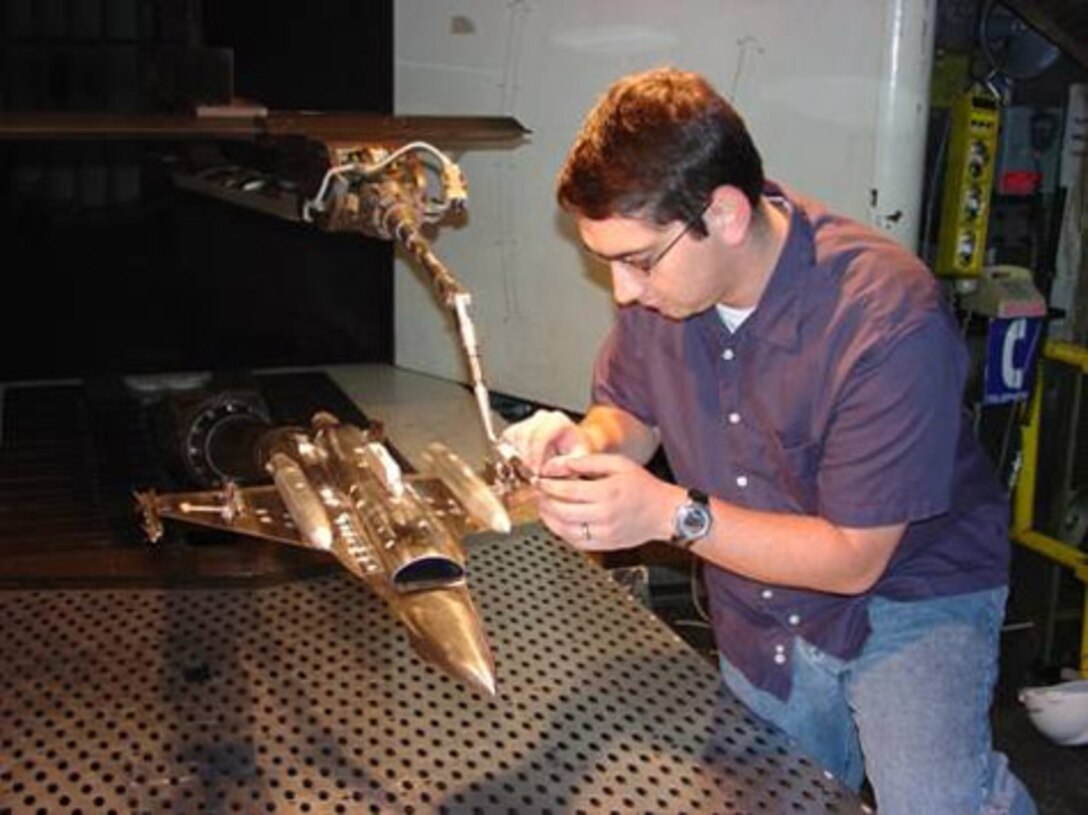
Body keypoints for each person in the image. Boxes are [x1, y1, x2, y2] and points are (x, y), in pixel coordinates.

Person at [500, 67, 1035, 815]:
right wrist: (584, 444)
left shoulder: (886, 318)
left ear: (723, 214)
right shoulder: (667, 286)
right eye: (606, 263)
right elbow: (630, 408)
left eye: (636, 260)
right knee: (778, 795)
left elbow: (853, 558)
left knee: (937, 802)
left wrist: (667, 514)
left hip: (910, 590)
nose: (622, 291)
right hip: (756, 597)